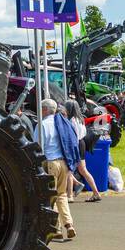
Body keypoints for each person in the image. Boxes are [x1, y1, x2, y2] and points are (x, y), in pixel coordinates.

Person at [35, 98, 80, 241]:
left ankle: (57, 228)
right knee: (62, 195)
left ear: (45, 110)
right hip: (63, 163)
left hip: (50, 163)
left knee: (51, 197)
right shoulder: (61, 123)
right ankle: (69, 224)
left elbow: (37, 146)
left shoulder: (42, 124)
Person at [65, 100, 103, 203]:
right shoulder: (80, 119)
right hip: (81, 143)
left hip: (75, 144)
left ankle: (70, 195)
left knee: (69, 170)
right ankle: (95, 193)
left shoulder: (71, 120)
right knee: (83, 170)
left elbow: (73, 136)